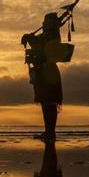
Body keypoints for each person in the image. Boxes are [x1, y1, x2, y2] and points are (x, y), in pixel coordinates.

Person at [21, 11, 70, 140]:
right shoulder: (47, 34)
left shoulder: (52, 35)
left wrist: (29, 38)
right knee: (46, 102)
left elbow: (42, 44)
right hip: (42, 71)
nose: (42, 23)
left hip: (48, 72)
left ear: (51, 23)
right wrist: (29, 37)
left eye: (45, 21)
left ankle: (50, 132)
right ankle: (48, 132)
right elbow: (39, 42)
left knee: (49, 102)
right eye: (43, 21)